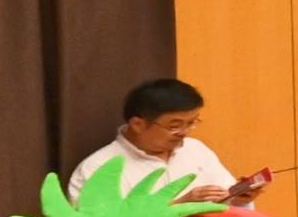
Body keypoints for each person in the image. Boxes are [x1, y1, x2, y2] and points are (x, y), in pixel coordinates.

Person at [70, 75, 260, 207]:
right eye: (174, 126)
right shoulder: (97, 168)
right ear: (137, 124)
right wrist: (179, 206)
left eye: (192, 123)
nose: (184, 133)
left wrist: (238, 197)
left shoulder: (195, 149)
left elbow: (223, 200)